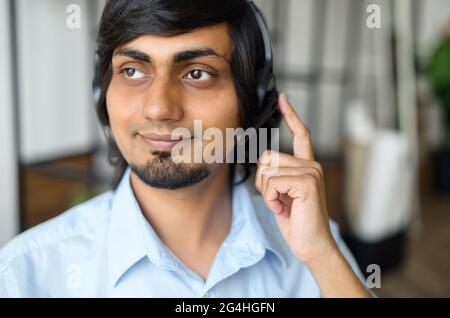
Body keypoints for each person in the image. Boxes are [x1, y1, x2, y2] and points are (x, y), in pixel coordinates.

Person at [0, 0, 372, 297]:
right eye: (132, 70)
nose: (159, 107)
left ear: (253, 103)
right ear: (103, 93)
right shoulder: (28, 273)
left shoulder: (316, 246)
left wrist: (321, 258)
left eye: (197, 73)